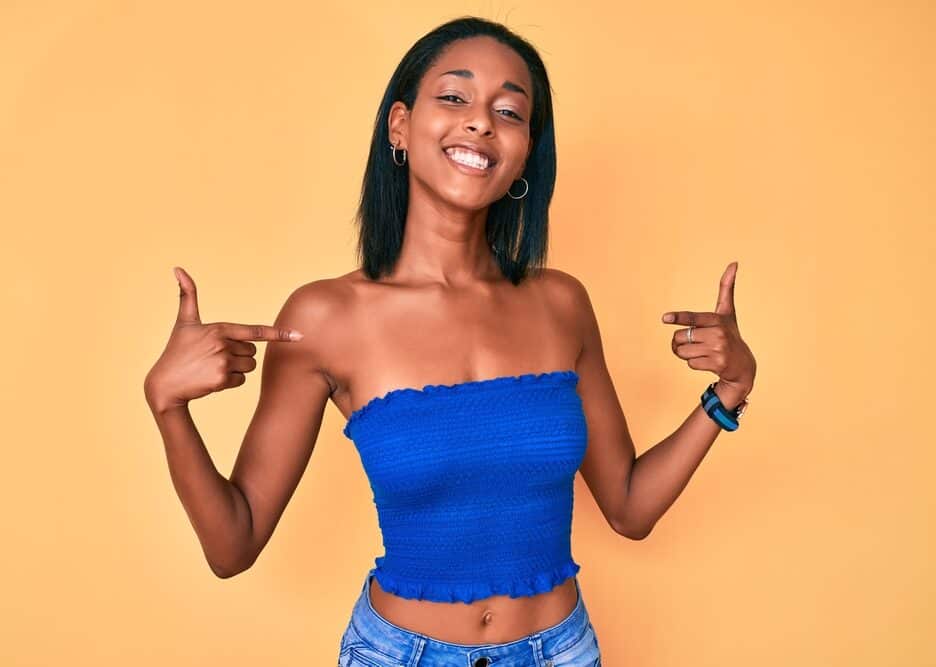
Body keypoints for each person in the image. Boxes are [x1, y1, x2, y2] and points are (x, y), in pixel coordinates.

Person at [143, 15, 756, 667]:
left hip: (561, 651)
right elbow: (231, 546)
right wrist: (168, 406)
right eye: (455, 97)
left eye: (509, 111)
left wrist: (728, 394)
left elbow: (630, 508)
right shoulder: (327, 317)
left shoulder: (561, 304)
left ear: (524, 153)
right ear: (400, 127)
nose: (481, 121)